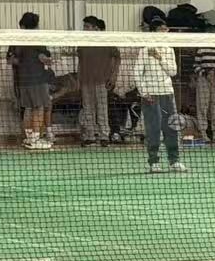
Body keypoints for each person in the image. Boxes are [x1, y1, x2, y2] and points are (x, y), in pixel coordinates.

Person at [131, 17, 187, 174]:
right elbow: (137, 73)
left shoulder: (169, 49)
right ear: (154, 32)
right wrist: (144, 93)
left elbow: (173, 71)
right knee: (153, 129)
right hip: (151, 95)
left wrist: (159, 58)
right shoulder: (145, 50)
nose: (165, 31)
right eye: (162, 29)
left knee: (171, 127)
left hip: (167, 93)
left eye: (166, 29)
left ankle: (174, 161)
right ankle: (154, 162)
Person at [9, 12, 54, 150]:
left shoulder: (16, 41)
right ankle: (35, 138)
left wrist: (24, 62)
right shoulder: (37, 39)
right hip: (37, 79)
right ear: (36, 25)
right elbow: (43, 57)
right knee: (39, 107)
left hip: (22, 81)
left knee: (28, 108)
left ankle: (28, 138)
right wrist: (46, 60)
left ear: (22, 25)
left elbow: (11, 60)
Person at [77, 16, 121, 146]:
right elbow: (80, 62)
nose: (85, 29)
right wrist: (79, 79)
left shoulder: (106, 41)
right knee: (87, 109)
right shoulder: (81, 43)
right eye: (84, 27)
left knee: (102, 109)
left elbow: (117, 58)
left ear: (95, 28)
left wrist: (113, 76)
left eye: (87, 27)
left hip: (102, 81)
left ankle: (104, 136)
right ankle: (90, 136)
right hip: (86, 81)